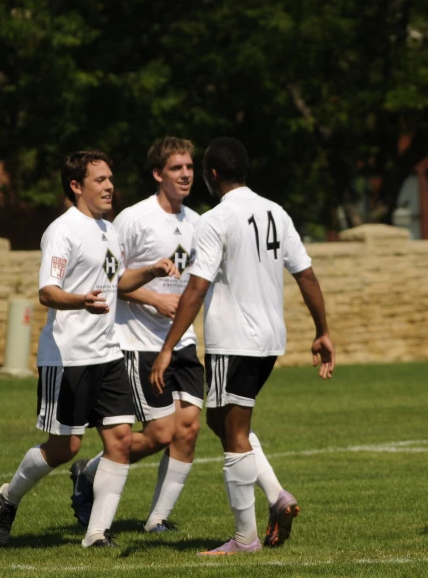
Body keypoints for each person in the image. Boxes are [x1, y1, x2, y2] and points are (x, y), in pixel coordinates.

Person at [70, 137, 301, 541]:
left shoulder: (200, 221)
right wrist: (152, 298)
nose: (186, 174)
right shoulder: (133, 219)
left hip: (182, 344)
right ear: (158, 174)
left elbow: (200, 284)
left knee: (190, 428)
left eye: (190, 167)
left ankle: (157, 519)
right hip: (138, 341)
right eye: (176, 168)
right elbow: (110, 282)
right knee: (162, 433)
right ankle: (91, 471)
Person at [151, 137, 335, 555]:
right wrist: (323, 331)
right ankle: (276, 496)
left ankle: (244, 539)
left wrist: (167, 347)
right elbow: (306, 275)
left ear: (212, 175)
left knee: (232, 432)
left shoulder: (215, 220)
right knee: (222, 422)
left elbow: (196, 288)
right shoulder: (277, 212)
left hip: (233, 341)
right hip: (270, 341)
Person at [0, 150, 177, 548]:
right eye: (100, 180)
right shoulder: (63, 230)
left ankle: (96, 534)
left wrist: (151, 270)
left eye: (111, 178)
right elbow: (47, 292)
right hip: (68, 356)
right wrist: (80, 301)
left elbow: (118, 282)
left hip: (109, 354)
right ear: (76, 186)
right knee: (65, 447)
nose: (110, 186)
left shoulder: (109, 229)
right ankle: (9, 496)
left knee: (121, 440)